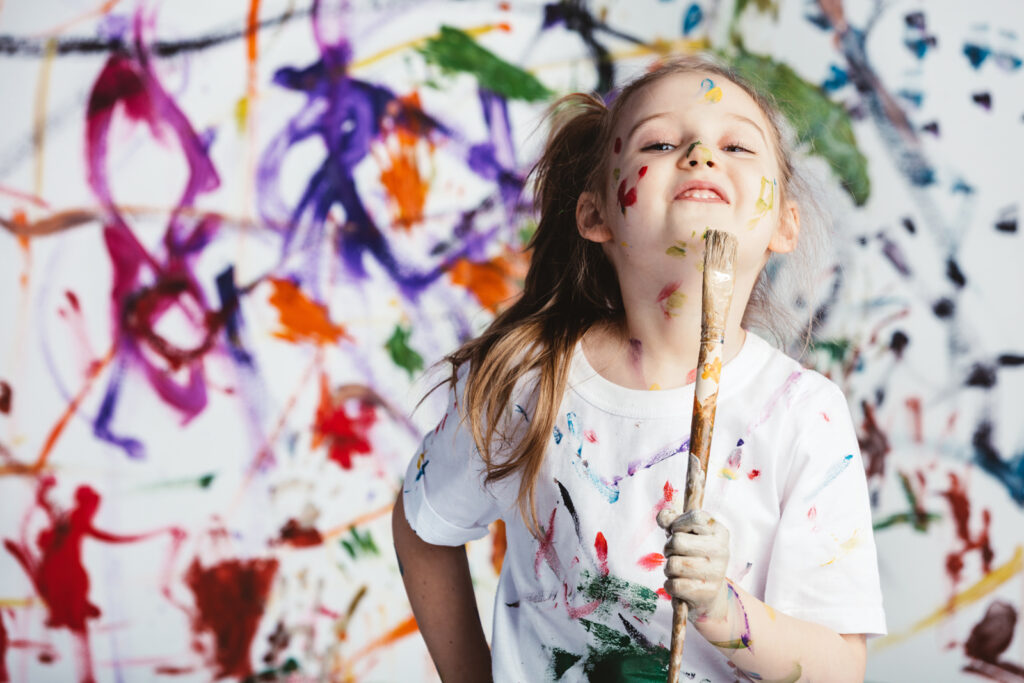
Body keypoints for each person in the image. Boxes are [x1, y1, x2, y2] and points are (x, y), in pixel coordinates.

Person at [392, 54, 886, 682]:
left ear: (784, 225)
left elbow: (840, 670)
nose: (702, 154)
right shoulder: (534, 380)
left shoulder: (803, 414)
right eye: (659, 141)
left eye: (736, 145)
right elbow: (423, 524)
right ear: (596, 213)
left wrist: (722, 608)